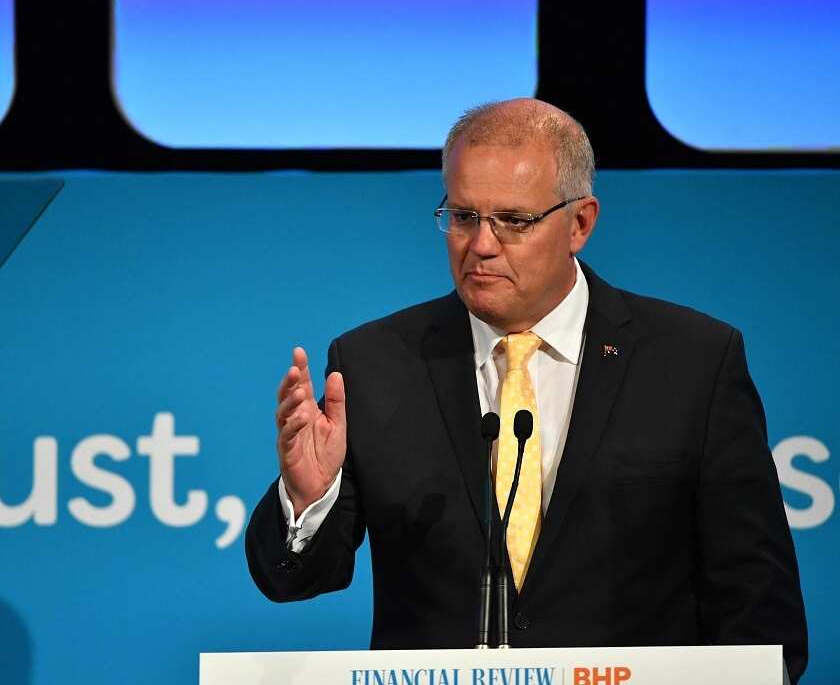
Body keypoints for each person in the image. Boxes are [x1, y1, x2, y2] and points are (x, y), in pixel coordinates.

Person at [244, 98, 808, 680]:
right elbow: (295, 581)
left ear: (580, 223)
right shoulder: (376, 363)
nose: (481, 245)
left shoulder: (692, 362)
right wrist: (308, 500)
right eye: (463, 217)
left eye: (512, 221)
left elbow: (760, 615)